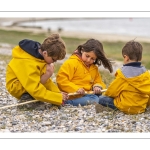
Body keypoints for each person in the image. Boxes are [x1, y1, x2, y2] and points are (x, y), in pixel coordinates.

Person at [6, 33, 69, 106]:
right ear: (45, 53)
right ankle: (27, 96)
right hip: (16, 87)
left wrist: (57, 93)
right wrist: (56, 98)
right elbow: (35, 89)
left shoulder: (39, 56)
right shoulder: (29, 63)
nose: (54, 62)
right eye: (54, 59)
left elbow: (46, 81)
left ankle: (34, 96)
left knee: (48, 68)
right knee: (48, 69)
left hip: (27, 83)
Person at [98, 40, 150, 114]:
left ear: (126, 58)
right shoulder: (146, 74)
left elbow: (112, 91)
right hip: (141, 107)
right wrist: (146, 105)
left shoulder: (122, 74)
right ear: (140, 58)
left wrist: (106, 95)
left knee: (101, 99)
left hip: (126, 107)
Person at [56, 38, 113, 106]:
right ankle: (66, 103)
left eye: (92, 59)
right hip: (72, 95)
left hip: (87, 95)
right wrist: (76, 89)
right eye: (87, 56)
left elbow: (98, 81)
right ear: (82, 50)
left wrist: (97, 87)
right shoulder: (71, 63)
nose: (89, 60)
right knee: (95, 99)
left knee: (100, 98)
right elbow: (61, 80)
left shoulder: (94, 68)